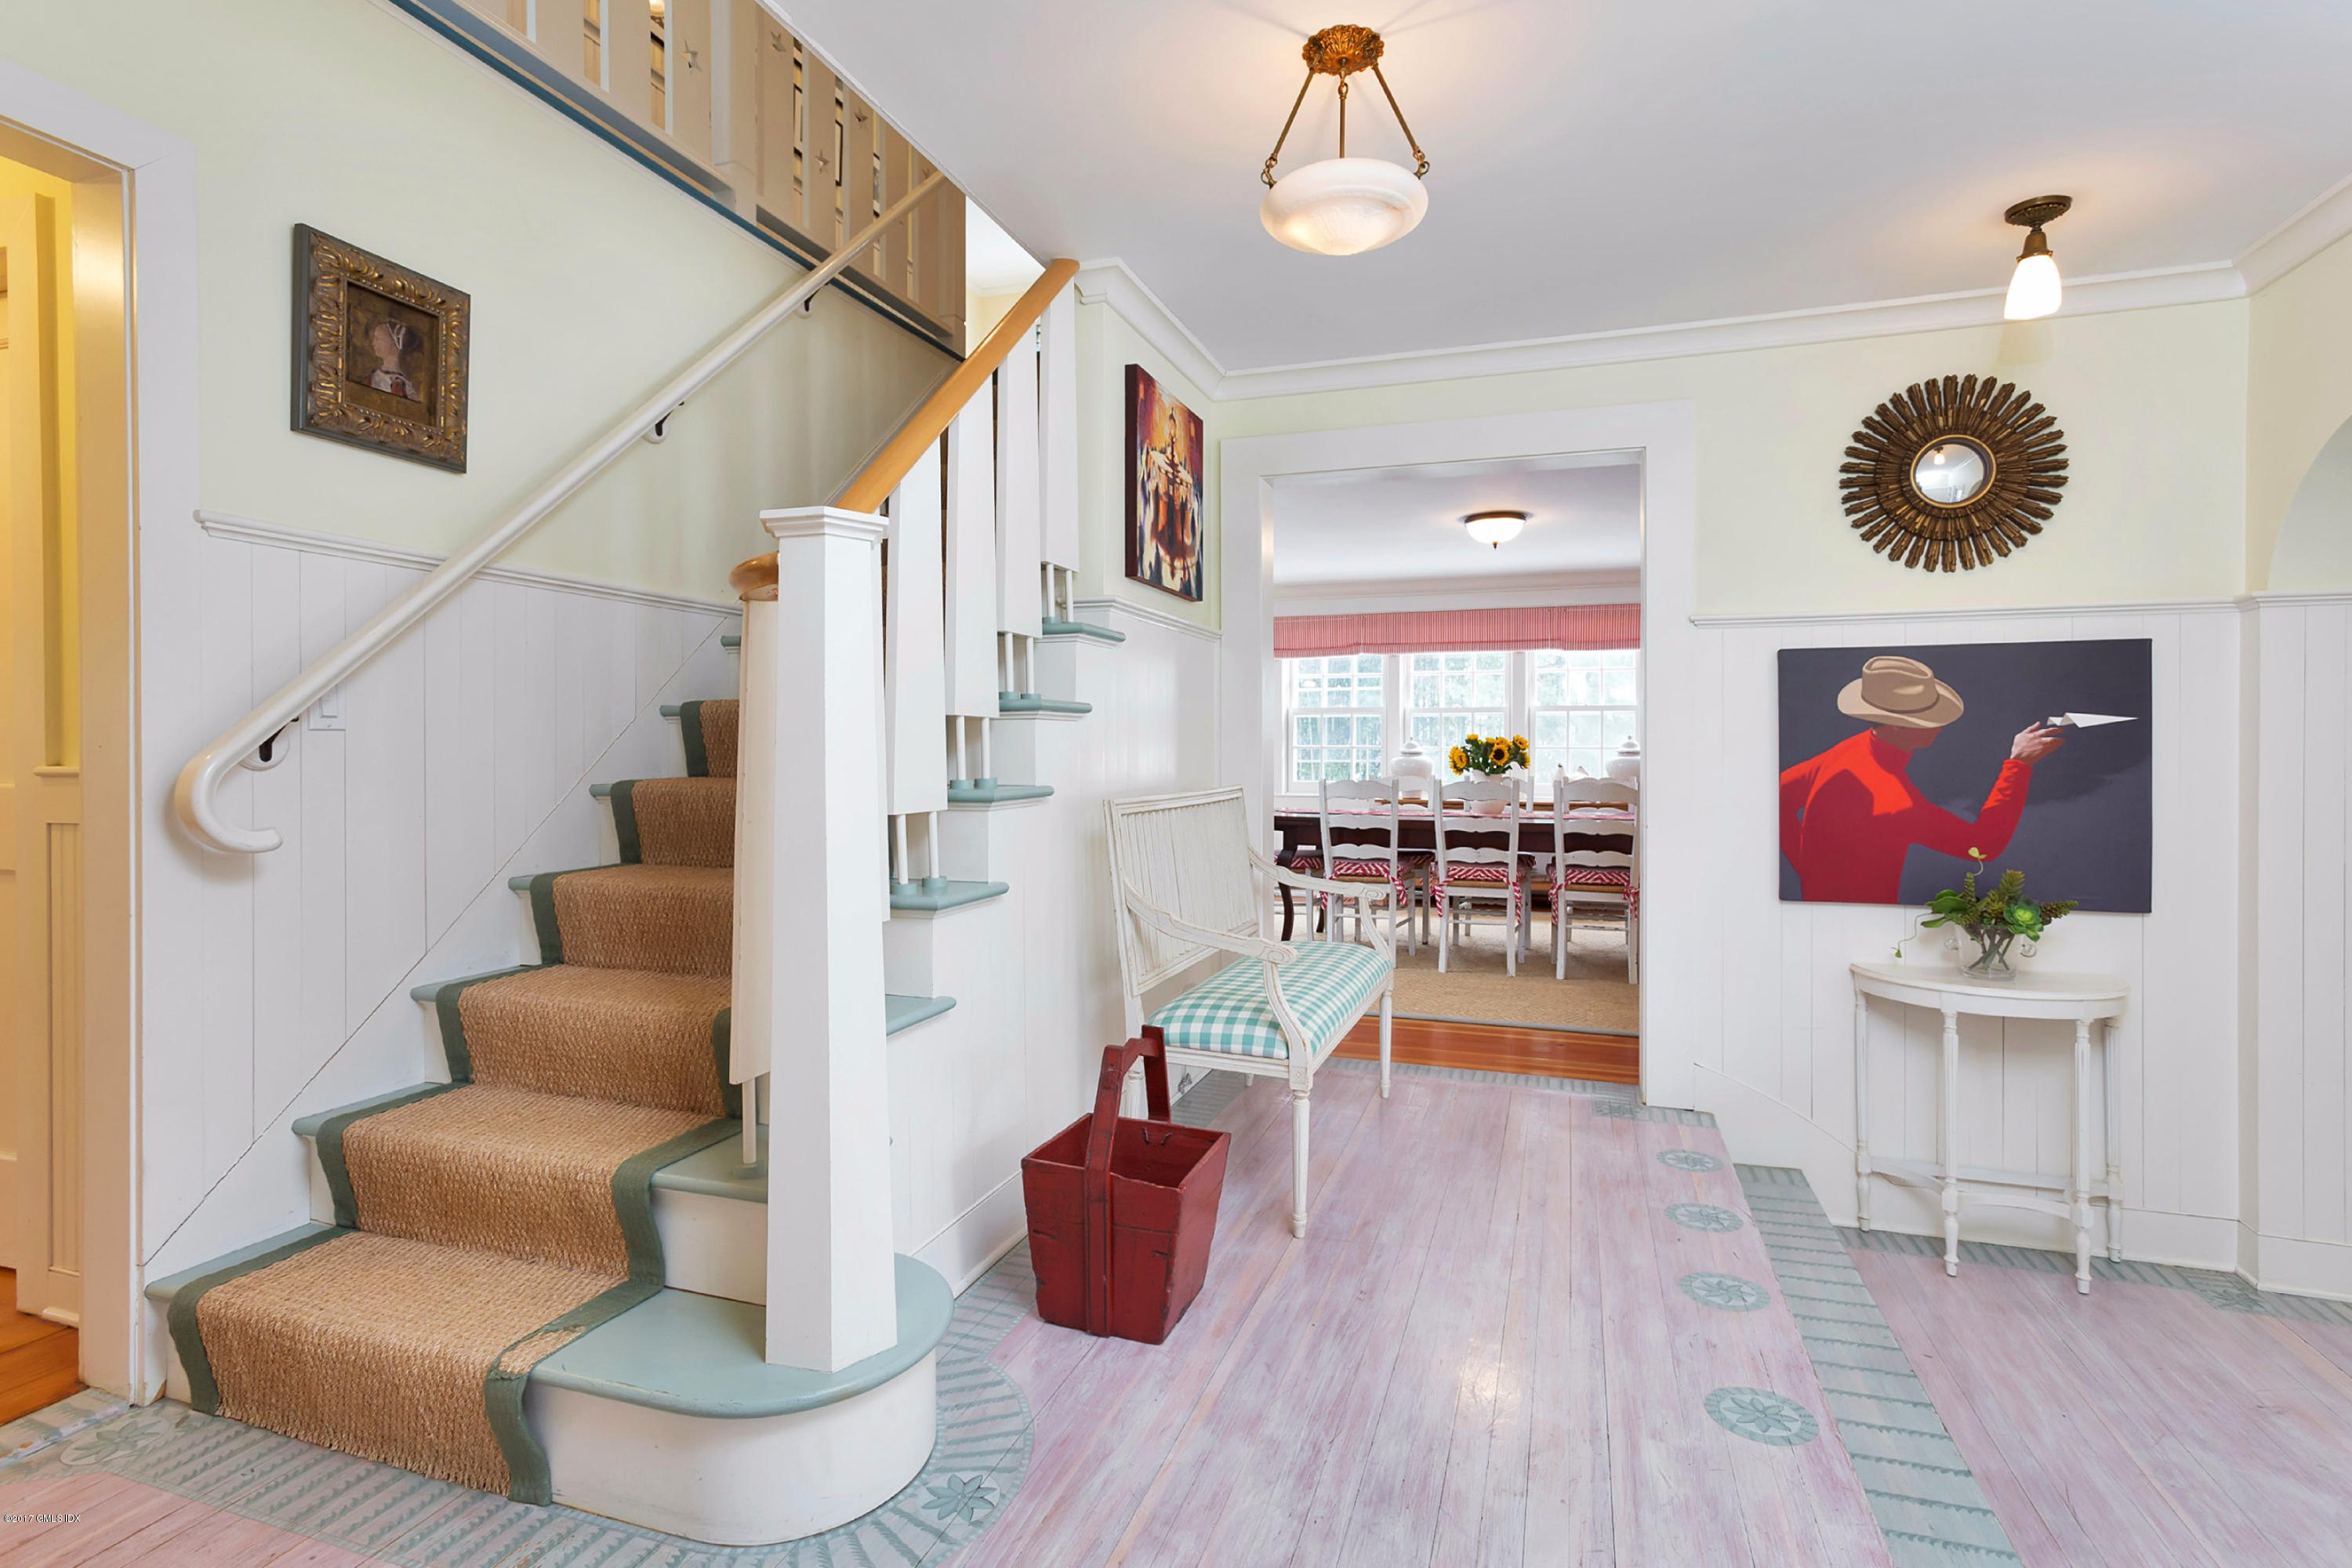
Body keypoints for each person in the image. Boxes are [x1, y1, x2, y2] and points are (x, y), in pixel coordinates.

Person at [1780, 655, 2066, 904]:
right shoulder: (1894, 801)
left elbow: (1779, 795)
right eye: (1928, 719)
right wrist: (2018, 765)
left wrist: (1808, 868)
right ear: (1895, 725)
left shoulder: (1848, 750)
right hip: (1869, 918)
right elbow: (1983, 845)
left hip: (1819, 906)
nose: (1941, 726)